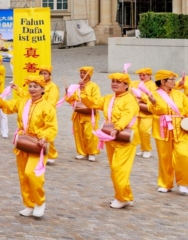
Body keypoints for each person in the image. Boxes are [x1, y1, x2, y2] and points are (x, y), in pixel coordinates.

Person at [0, 74, 56, 218]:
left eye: (35, 86)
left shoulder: (47, 107)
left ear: (42, 89)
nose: (32, 89)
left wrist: (44, 137)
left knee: (32, 174)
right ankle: (29, 204)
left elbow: (51, 127)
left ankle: (39, 202)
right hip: (22, 142)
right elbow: (8, 106)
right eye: (30, 86)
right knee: (23, 176)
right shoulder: (23, 102)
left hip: (38, 144)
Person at [142, 70, 188, 195]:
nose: (174, 82)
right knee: (164, 157)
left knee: (184, 155)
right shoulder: (153, 95)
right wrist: (153, 102)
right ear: (163, 81)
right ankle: (165, 183)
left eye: (174, 79)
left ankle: (184, 182)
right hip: (162, 128)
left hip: (181, 129)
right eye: (171, 79)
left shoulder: (179, 95)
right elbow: (156, 111)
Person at [101, 72, 138, 209]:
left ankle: (121, 198)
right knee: (116, 168)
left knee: (118, 169)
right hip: (111, 137)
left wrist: (118, 127)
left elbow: (127, 115)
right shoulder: (108, 98)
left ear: (127, 85)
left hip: (125, 138)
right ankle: (127, 196)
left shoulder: (130, 100)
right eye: (113, 81)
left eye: (118, 82)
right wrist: (81, 93)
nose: (114, 84)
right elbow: (93, 103)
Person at [63, 66, 102, 161]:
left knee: (90, 134)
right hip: (78, 113)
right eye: (81, 73)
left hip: (89, 114)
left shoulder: (94, 87)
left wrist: (84, 91)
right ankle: (81, 152)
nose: (82, 75)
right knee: (78, 134)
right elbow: (71, 100)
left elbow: (96, 101)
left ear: (89, 75)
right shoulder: (76, 87)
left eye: (84, 73)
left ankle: (92, 152)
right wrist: (68, 93)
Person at [132, 68, 156, 159]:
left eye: (144, 75)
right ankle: (142, 148)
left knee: (144, 131)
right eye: (140, 75)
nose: (141, 77)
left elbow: (153, 98)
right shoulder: (135, 83)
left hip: (147, 112)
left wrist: (141, 96)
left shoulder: (153, 85)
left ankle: (147, 149)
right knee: (136, 130)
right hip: (136, 111)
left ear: (149, 75)